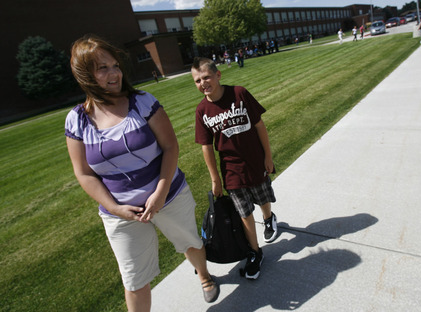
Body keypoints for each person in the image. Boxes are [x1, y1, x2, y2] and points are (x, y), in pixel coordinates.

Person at [65, 34, 219, 311]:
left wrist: (159, 194)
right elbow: (84, 173)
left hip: (169, 196)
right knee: (134, 279)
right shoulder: (77, 120)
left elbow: (170, 147)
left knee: (190, 243)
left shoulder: (142, 102)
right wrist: (114, 207)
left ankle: (205, 277)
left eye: (115, 65)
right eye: (103, 68)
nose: (114, 74)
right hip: (121, 215)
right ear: (85, 75)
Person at [191, 57, 278, 280]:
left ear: (218, 75)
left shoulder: (239, 93)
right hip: (231, 170)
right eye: (198, 80)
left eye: (206, 77)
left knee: (262, 197)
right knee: (244, 212)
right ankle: (255, 252)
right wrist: (215, 179)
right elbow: (206, 147)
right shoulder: (202, 111)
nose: (203, 83)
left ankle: (269, 218)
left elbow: (259, 126)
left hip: (255, 162)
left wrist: (268, 156)